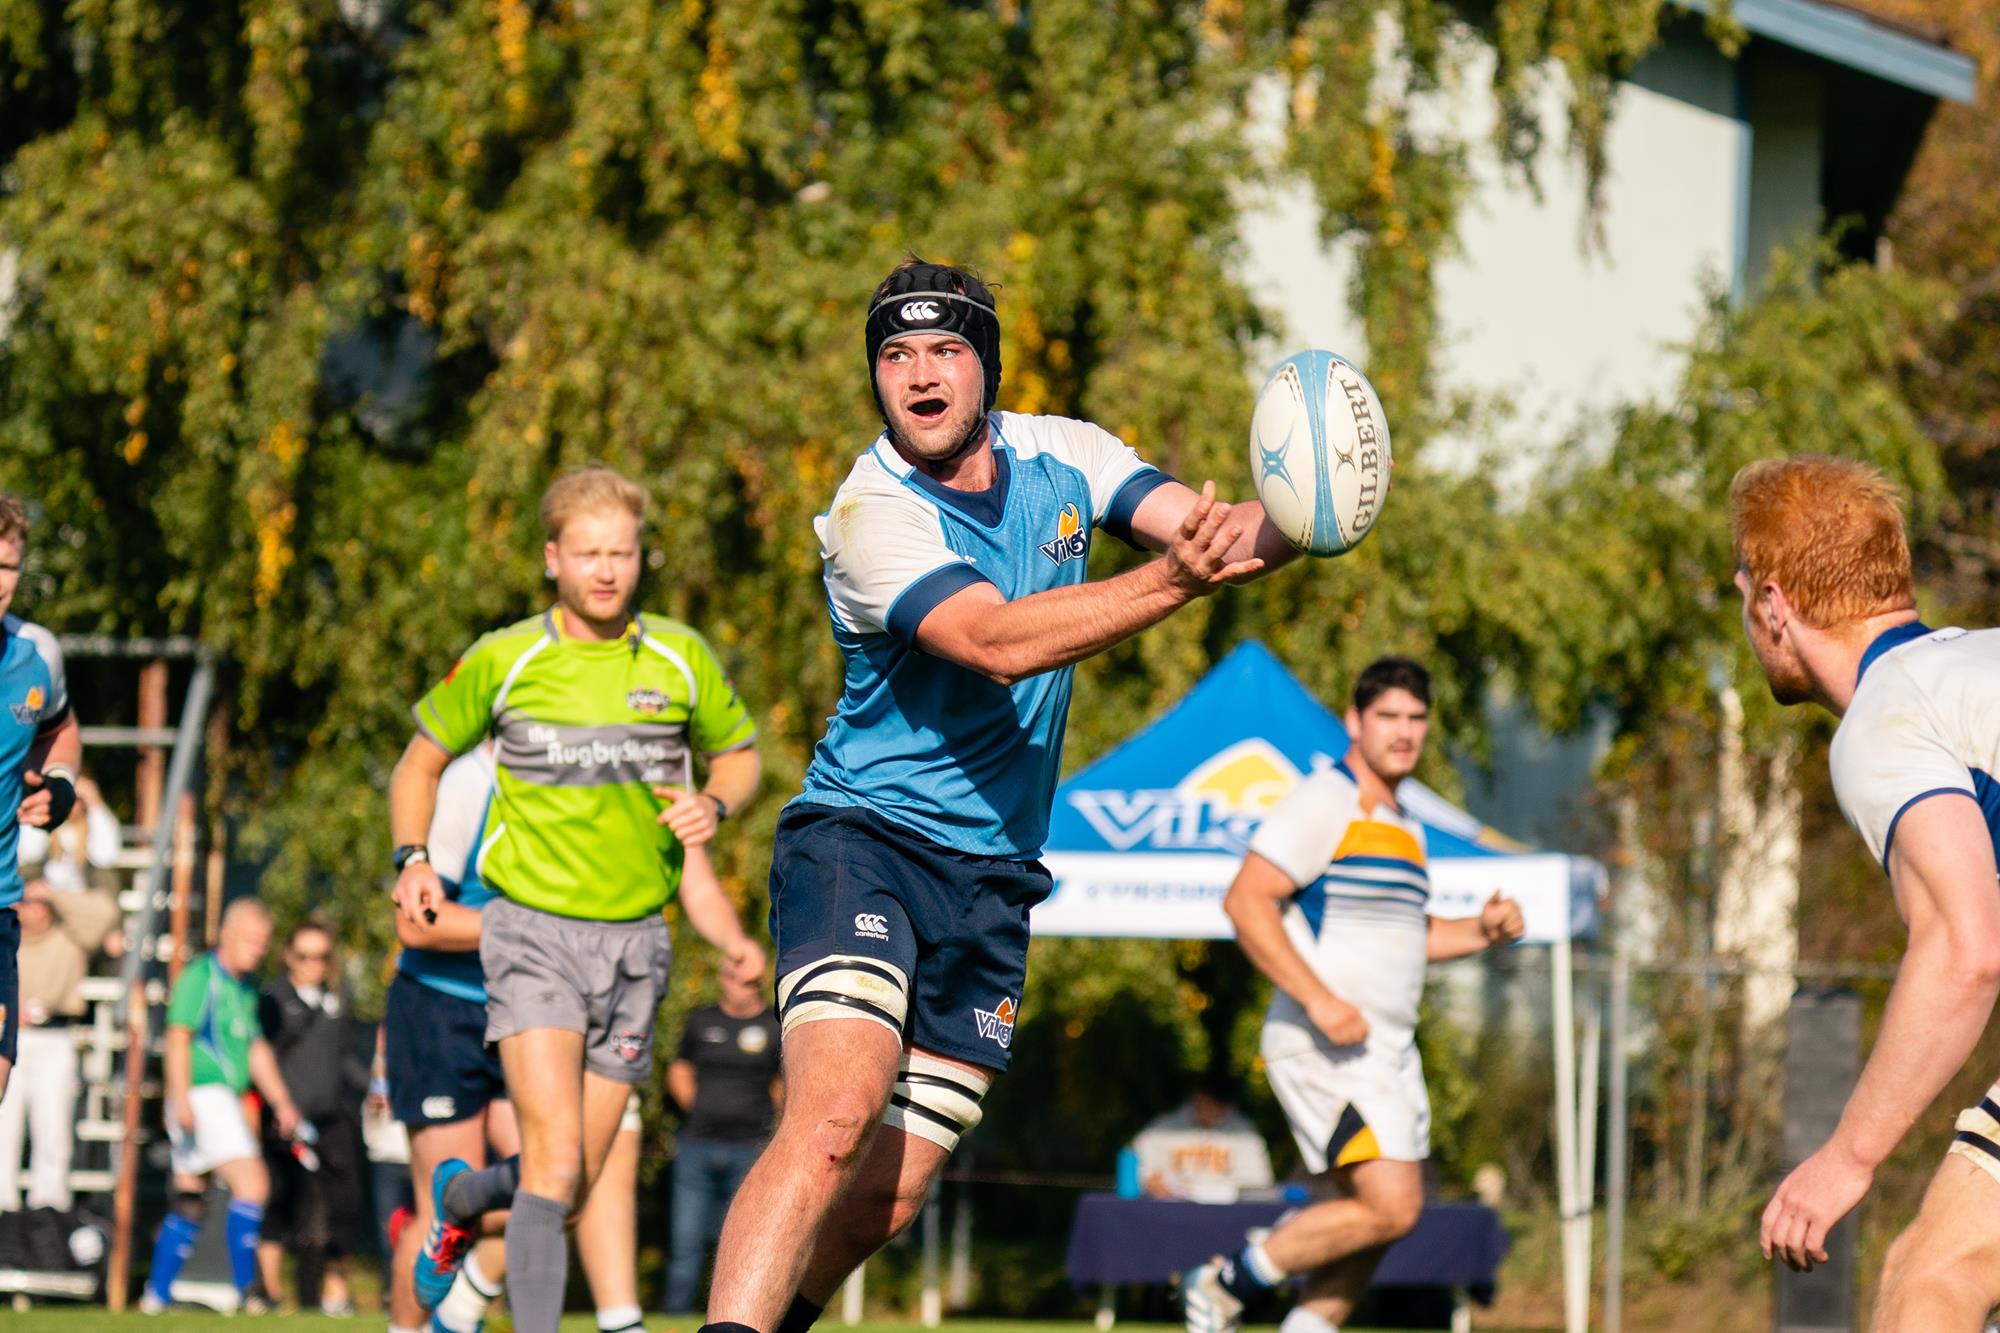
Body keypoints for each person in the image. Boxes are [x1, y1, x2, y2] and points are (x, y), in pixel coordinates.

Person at [698, 256, 1301, 1333]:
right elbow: (990, 643)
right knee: (835, 1113)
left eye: (944, 350)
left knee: (891, 1192)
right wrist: (1171, 581)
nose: (920, 376)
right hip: (865, 840)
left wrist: (1311, 511)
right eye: (894, 355)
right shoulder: (870, 510)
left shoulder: (1064, 452)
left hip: (993, 876)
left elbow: (1213, 535)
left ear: (986, 365)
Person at [388, 465, 765, 1333]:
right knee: (554, 1164)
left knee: (570, 1183)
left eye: (622, 554)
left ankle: (461, 1203)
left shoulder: (678, 656)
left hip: (636, 942)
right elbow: (419, 759)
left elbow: (740, 754)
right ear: (553, 558)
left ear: (641, 560)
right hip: (532, 936)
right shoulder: (505, 656)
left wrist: (718, 800)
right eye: (589, 554)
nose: (606, 570)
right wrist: (412, 857)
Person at [1731, 456, 2000, 1331]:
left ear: (1776, 605)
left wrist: (1848, 1155)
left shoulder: (1888, 713)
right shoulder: (1976, 667)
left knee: (1931, 1282)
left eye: (1741, 593)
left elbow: (1965, 950)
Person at [1184, 657, 1525, 1333]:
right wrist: (1317, 999)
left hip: (1386, 1052)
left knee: (1378, 1223)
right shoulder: (1325, 800)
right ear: (1354, 722)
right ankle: (1227, 1280)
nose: (1403, 731)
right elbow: (1247, 900)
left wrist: (1482, 930)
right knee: (1392, 1206)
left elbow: (1407, 934)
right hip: (1324, 1046)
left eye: (1416, 717)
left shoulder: (1405, 820)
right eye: (1388, 716)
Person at [385, 741, 663, 1333]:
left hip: (534, 1010)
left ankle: (459, 1305)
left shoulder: (585, 780)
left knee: (558, 1187)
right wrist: (537, 931)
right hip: (442, 1010)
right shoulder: (467, 783)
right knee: (438, 1201)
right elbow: (414, 925)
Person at [143, 898, 303, 1314]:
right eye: (251, 939)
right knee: (254, 1182)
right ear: (227, 935)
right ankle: (247, 1291)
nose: (258, 948)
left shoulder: (245, 987)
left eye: (264, 941)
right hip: (201, 1094)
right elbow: (178, 1037)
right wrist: (179, 1098)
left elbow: (255, 1049)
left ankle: (155, 1297)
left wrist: (282, 1102)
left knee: (191, 1197)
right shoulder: (202, 975)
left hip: (217, 1097)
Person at [0, 491, 84, 1104]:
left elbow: (60, 728)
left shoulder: (36, 655)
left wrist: (60, 784)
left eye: (8, 567)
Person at [255, 915, 370, 1314]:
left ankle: (333, 1290)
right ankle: (268, 1294)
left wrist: (375, 1086)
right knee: (282, 1205)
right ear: (288, 956)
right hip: (284, 1123)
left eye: (321, 958)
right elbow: (262, 1054)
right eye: (304, 956)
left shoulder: (338, 1001)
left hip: (330, 1118)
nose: (312, 966)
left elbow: (345, 1060)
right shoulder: (273, 1000)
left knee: (342, 1205)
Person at [664, 963, 783, 1314]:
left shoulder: (773, 1026)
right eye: (733, 979)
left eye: (748, 982)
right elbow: (679, 1068)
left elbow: (785, 1079)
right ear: (721, 979)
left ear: (760, 983)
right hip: (697, 1144)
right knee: (685, 1241)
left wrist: (771, 1117)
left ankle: (735, 1315)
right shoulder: (702, 1021)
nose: (739, 987)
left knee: (743, 1244)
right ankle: (676, 1316)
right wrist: (697, 1107)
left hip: (751, 1148)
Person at [0, 873, 119, 1212]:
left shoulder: (71, 933)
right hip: (10, 1034)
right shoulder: (7, 935)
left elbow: (105, 915)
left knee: (52, 1130)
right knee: (3, 1129)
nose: (33, 911)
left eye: (38, 904)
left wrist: (54, 895)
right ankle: (3, 1213)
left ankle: (47, 1213)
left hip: (56, 1036)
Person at [1130, 1071, 1273, 1203]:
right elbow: (1139, 1169)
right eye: (1208, 1104)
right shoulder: (1162, 1129)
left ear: (1230, 1106)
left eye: (1219, 1108)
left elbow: (1257, 1184)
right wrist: (1149, 1181)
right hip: (1172, 1210)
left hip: (1225, 1212)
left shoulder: (1244, 1133)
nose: (1211, 1113)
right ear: (1197, 1097)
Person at [16, 769, 121, 892]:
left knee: (105, 905)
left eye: (78, 798)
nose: (72, 803)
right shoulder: (48, 823)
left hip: (80, 896)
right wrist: (47, 807)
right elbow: (30, 853)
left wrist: (95, 803)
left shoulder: (92, 824)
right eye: (67, 796)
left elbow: (106, 858)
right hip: (44, 894)